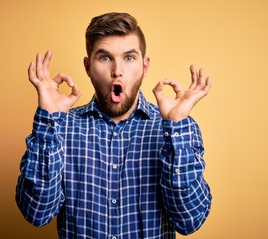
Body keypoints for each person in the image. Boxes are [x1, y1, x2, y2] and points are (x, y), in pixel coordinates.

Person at [16, 12, 212, 239]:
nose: (117, 70)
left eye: (129, 58)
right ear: (88, 66)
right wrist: (48, 120)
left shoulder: (175, 128)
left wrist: (176, 128)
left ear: (145, 66)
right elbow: (36, 213)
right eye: (105, 58)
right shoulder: (60, 128)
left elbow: (190, 220)